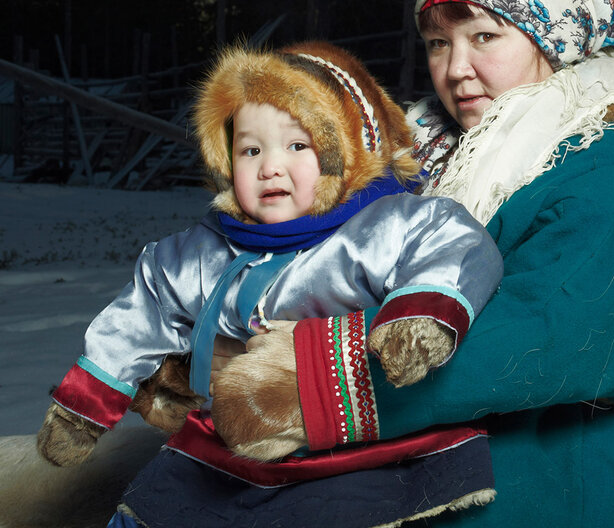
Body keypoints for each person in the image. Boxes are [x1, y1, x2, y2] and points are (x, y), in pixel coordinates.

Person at [206, 0, 614, 526]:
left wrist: (318, 380)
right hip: (467, 449)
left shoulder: (610, 165)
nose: (456, 69)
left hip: (588, 476)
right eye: (439, 44)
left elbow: (551, 328)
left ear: (555, 38)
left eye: (484, 37)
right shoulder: (444, 159)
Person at [37, 40, 504, 525]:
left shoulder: (382, 226)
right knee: (157, 505)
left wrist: (420, 315)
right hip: (229, 445)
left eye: (298, 146)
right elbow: (143, 310)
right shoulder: (202, 250)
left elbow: (455, 245)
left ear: (346, 153)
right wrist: (84, 405)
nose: (269, 166)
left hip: (353, 448)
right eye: (249, 149)